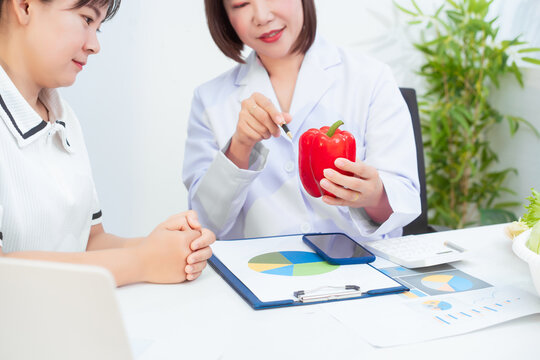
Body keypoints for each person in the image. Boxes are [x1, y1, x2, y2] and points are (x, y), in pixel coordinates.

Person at [0, 0, 215, 286]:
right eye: (87, 19)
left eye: (98, 27)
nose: (94, 45)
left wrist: (171, 248)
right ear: (25, 6)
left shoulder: (64, 119)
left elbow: (89, 241)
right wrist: (143, 262)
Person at [183, 0, 421, 241]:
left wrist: (374, 195)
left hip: (359, 269)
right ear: (224, 15)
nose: (262, 16)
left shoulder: (371, 79)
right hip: (260, 271)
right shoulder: (209, 100)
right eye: (241, 4)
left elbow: (403, 203)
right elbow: (205, 224)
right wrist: (239, 147)